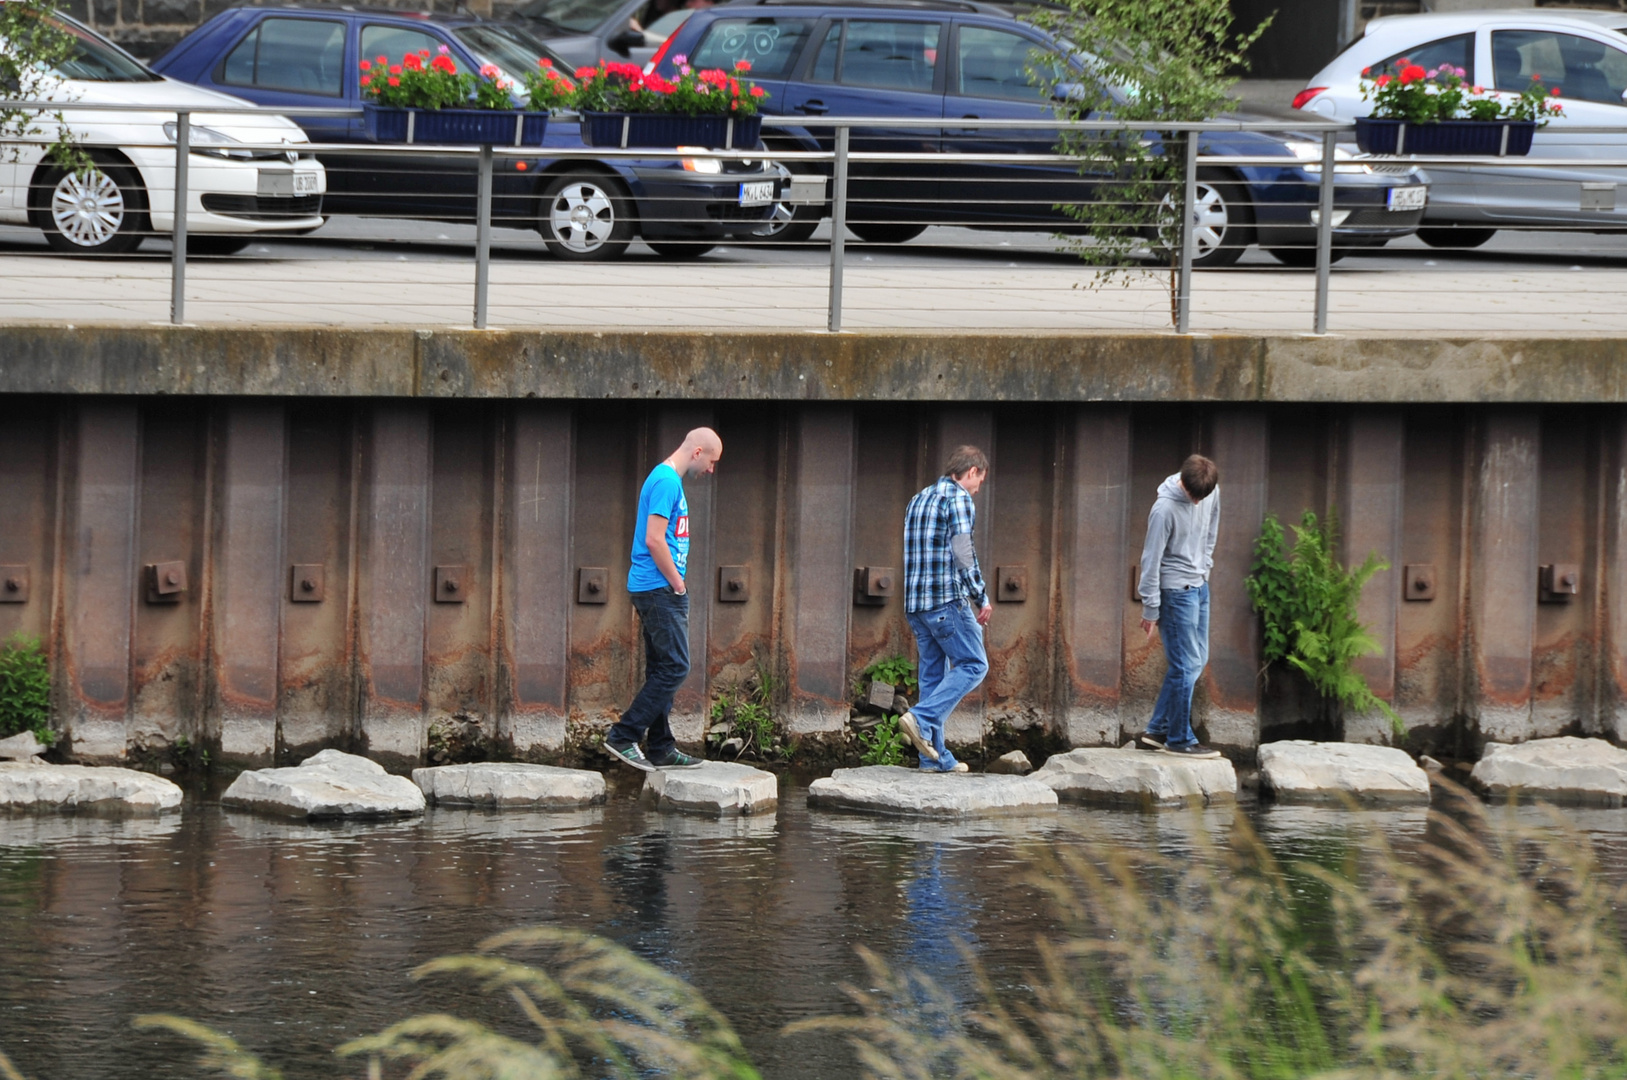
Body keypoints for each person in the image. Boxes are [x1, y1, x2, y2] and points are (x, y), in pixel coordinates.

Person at [602, 427, 723, 772]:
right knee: (676, 666)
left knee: (660, 666)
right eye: (712, 462)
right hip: (659, 588)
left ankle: (661, 747)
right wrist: (678, 585)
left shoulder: (667, 480)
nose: (711, 470)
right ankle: (623, 736)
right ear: (697, 452)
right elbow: (654, 540)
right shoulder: (667, 481)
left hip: (657, 588)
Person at [896, 446, 992, 775]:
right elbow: (963, 553)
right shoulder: (958, 498)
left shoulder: (918, 498)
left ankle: (933, 759)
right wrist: (981, 597)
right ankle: (921, 719)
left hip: (916, 606)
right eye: (980, 479)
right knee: (974, 664)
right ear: (972, 471)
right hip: (945, 601)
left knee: (933, 678)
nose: (979, 488)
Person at [1136, 453, 1223, 759]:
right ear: (1183, 483)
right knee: (1186, 664)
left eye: (1203, 497)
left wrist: (1206, 565)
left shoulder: (1210, 492)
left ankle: (1158, 729)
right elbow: (1151, 559)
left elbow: (1211, 530)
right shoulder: (1164, 508)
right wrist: (1151, 608)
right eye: (1192, 496)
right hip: (1175, 592)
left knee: (1196, 660)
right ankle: (1178, 738)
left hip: (1200, 585)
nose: (1197, 503)